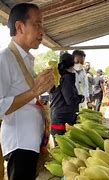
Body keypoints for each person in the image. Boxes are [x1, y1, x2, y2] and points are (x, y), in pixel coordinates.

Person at [0, 3, 54, 180]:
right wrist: (34, 91)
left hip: (31, 144)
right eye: (37, 24)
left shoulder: (26, 60)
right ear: (19, 27)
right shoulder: (4, 59)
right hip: (20, 145)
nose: (42, 31)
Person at [50, 52, 84, 137]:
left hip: (58, 116)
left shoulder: (59, 76)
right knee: (62, 146)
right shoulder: (66, 78)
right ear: (71, 64)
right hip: (62, 118)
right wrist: (80, 98)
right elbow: (70, 100)